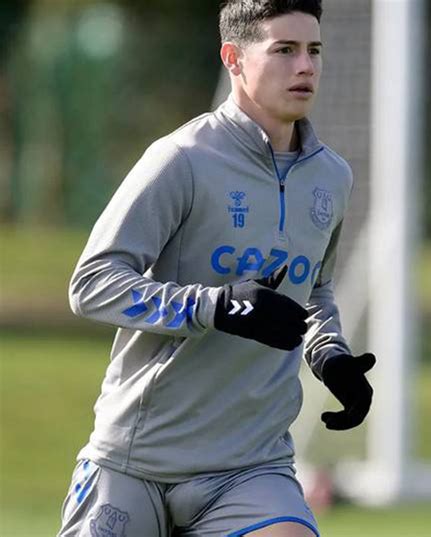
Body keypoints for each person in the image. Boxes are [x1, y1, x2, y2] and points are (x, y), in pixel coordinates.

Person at [58, 1, 376, 535]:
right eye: (285, 50)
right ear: (233, 58)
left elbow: (313, 288)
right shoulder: (181, 158)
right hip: (135, 462)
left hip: (250, 468)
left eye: (314, 50)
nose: (306, 67)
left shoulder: (332, 178)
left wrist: (330, 354)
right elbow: (91, 285)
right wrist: (216, 306)